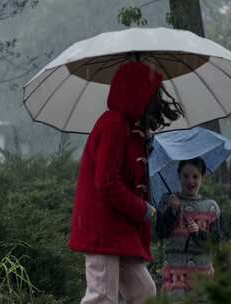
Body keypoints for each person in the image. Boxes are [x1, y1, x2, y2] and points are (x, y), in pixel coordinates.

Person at [68, 61, 184, 304]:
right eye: (152, 95)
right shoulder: (113, 125)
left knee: (143, 292)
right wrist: (142, 209)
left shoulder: (127, 128)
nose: (156, 102)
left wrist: (144, 143)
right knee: (101, 297)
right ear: (138, 95)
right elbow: (107, 182)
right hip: (103, 228)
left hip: (119, 229)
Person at [155, 157, 222, 297]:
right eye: (185, 176)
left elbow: (216, 242)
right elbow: (160, 233)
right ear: (179, 176)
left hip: (201, 274)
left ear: (203, 177)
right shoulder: (169, 202)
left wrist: (199, 233)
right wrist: (172, 212)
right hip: (174, 273)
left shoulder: (211, 207)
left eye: (195, 176)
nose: (190, 181)